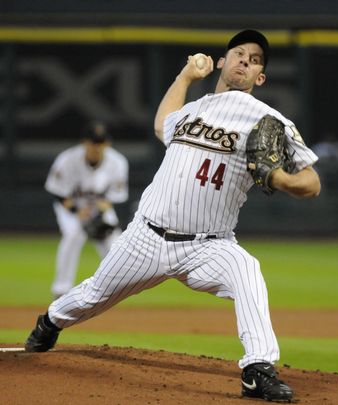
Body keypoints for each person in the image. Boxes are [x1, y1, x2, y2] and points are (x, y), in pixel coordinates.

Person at [25, 30, 320, 403]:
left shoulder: (268, 119)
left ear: (260, 78)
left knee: (247, 271)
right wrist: (185, 77)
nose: (245, 59)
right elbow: (161, 123)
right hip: (145, 239)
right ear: (221, 62)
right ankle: (50, 322)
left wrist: (282, 178)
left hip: (208, 246)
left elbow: (312, 182)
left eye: (255, 59)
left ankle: (257, 369)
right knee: (94, 294)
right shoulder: (193, 110)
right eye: (238, 53)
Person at [44, 121, 129, 299]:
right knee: (74, 234)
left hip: (99, 206)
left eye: (100, 143)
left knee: (115, 242)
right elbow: (57, 193)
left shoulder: (118, 162)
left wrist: (98, 211)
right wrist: (76, 211)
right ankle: (61, 289)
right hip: (71, 206)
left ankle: (115, 288)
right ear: (84, 142)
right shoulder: (67, 159)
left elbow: (115, 197)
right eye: (93, 142)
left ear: (107, 144)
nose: (96, 147)